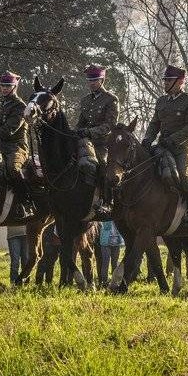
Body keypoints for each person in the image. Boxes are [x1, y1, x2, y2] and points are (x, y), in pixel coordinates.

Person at [142, 64, 188, 227]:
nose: (165, 83)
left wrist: (173, 139)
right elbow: (154, 124)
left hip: (184, 148)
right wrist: (148, 138)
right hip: (163, 146)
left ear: (180, 82)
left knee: (184, 176)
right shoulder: (161, 101)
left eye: (169, 80)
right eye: (164, 80)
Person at [0, 71, 35, 219]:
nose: (4, 88)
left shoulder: (19, 106)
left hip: (17, 147)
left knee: (13, 168)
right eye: (2, 85)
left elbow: (9, 130)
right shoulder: (4, 104)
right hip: (0, 146)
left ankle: (26, 204)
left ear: (14, 86)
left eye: (7, 86)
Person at [75, 64, 120, 220]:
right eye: (89, 80)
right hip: (84, 142)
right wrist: (75, 133)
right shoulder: (85, 100)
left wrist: (90, 132)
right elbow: (81, 123)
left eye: (94, 80)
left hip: (102, 143)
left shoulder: (111, 99)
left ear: (102, 80)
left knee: (102, 166)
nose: (91, 83)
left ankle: (107, 202)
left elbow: (110, 125)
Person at [98, 219, 123, 287]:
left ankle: (114, 281)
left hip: (116, 242)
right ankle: (104, 281)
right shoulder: (106, 217)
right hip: (106, 242)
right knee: (105, 263)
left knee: (114, 263)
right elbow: (106, 226)